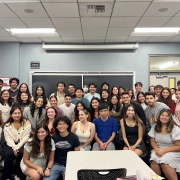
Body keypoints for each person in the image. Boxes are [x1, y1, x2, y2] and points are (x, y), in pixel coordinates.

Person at [43, 116, 80, 180]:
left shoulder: (74, 137)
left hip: (69, 165)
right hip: (56, 164)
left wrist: (70, 168)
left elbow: (77, 155)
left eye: (64, 124)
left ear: (68, 125)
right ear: (56, 126)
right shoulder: (53, 138)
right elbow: (51, 156)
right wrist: (48, 168)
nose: (61, 126)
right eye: (59, 124)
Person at [148, 109, 180, 180]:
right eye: (162, 115)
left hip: (172, 151)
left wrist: (164, 151)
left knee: (164, 163)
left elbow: (178, 146)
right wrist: (156, 149)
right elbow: (152, 140)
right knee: (154, 160)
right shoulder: (155, 127)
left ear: (170, 118)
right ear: (159, 116)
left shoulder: (175, 129)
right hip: (158, 149)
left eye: (167, 116)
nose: (164, 117)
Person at [2, 106, 31, 180]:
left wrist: (18, 146)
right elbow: (8, 138)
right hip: (10, 143)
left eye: (19, 113)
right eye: (15, 113)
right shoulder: (7, 125)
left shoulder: (27, 123)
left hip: (22, 143)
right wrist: (14, 147)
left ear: (21, 114)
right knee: (9, 154)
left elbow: (26, 136)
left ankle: (19, 175)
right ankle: (6, 176)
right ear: (11, 114)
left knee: (21, 153)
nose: (17, 115)